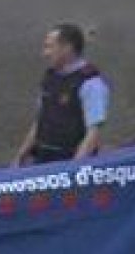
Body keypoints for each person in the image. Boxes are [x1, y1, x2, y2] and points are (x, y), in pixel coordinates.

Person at [13, 23, 110, 165]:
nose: (44, 53)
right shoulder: (50, 78)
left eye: (49, 47)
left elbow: (93, 134)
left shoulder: (90, 84)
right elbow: (40, 120)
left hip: (69, 163)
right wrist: (20, 157)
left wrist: (71, 170)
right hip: (42, 160)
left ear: (67, 48)